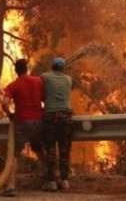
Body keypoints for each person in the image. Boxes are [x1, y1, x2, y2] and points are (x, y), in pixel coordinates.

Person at [0, 58, 44, 197]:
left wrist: (10, 115)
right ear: (27, 68)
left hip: (22, 123)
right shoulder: (38, 81)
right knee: (40, 150)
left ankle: (11, 186)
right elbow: (45, 98)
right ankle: (50, 178)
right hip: (38, 121)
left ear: (15, 70)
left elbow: (4, 103)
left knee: (14, 155)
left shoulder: (13, 86)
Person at [41, 57, 73, 191]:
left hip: (50, 116)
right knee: (65, 149)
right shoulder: (68, 79)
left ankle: (52, 182)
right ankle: (65, 181)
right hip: (66, 116)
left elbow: (42, 92)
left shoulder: (45, 77)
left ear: (52, 67)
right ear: (63, 68)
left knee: (50, 150)